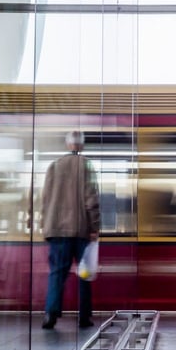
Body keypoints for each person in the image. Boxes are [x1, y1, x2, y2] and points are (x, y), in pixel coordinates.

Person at [40, 131, 101, 329]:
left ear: (68, 145)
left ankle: (51, 314)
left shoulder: (54, 166)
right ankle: (84, 317)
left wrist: (45, 225)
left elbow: (45, 199)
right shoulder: (86, 165)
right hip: (81, 229)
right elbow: (91, 200)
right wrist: (94, 227)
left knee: (57, 272)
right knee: (84, 273)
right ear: (81, 146)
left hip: (57, 230)